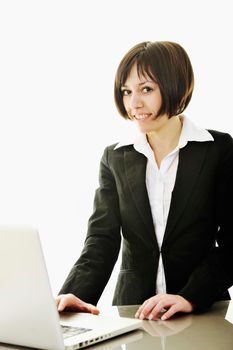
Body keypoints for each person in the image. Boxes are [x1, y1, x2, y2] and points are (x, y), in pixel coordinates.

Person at [56, 41, 233, 321]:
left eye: (146, 89)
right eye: (127, 92)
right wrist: (75, 293)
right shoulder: (115, 157)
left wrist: (190, 296)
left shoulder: (218, 150)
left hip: (201, 309)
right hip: (133, 312)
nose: (134, 104)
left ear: (176, 85)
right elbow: (101, 239)